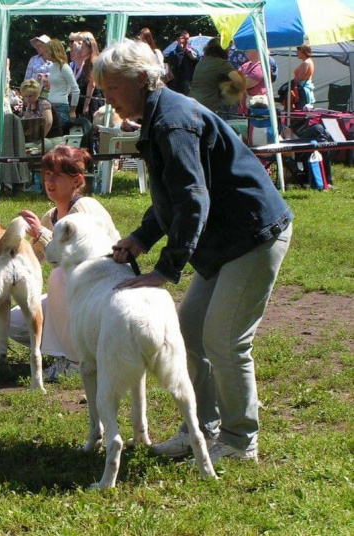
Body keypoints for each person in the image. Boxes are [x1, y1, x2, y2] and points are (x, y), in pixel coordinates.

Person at [93, 40, 293, 464]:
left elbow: (192, 200)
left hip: (253, 235)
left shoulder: (172, 122)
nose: (105, 96)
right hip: (222, 242)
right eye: (103, 88)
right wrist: (142, 238)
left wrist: (165, 270)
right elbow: (171, 197)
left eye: (112, 87)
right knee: (189, 335)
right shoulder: (157, 117)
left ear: (142, 81)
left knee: (224, 341)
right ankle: (200, 430)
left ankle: (240, 443)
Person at [8, 145, 120, 381]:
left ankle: (75, 361)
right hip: (76, 296)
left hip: (102, 296)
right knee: (13, 322)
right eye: (47, 174)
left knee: (59, 277)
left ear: (76, 179)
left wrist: (41, 235)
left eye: (57, 174)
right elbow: (38, 262)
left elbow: (92, 259)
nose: (50, 181)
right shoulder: (51, 216)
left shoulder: (86, 207)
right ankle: (74, 349)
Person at [189, 37, 245, 115]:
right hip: (210, 107)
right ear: (224, 49)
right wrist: (236, 96)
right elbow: (239, 82)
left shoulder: (201, 62)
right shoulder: (222, 64)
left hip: (192, 103)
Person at [45, 39, 80, 132]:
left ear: (53, 52)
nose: (45, 53)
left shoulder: (64, 67)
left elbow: (76, 90)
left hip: (61, 106)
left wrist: (73, 110)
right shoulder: (54, 66)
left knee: (59, 134)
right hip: (50, 105)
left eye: (47, 51)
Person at [19, 78, 64, 150]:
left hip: (53, 138)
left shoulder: (43, 103)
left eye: (30, 96)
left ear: (37, 94)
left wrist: (39, 139)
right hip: (38, 139)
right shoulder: (29, 106)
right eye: (25, 96)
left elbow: (48, 123)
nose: (28, 99)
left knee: (27, 146)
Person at [71, 31, 104, 120]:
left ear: (90, 49)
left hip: (92, 100)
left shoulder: (93, 62)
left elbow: (91, 84)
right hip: (82, 99)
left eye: (83, 48)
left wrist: (86, 104)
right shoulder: (83, 62)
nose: (80, 50)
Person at [165, 30, 198, 96]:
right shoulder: (172, 53)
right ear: (178, 39)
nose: (186, 41)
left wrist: (193, 57)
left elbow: (198, 64)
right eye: (183, 38)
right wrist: (181, 53)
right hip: (176, 83)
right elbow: (173, 67)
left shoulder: (194, 51)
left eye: (187, 39)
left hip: (189, 81)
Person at [238, 49, 267, 114]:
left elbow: (245, 84)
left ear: (257, 51)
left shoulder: (261, 66)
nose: (246, 50)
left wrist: (241, 79)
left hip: (257, 106)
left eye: (249, 49)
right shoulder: (245, 65)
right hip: (243, 106)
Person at [294, 45, 315, 109]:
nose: (296, 53)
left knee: (301, 109)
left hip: (303, 89)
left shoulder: (306, 63)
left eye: (298, 51)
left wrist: (293, 85)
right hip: (305, 87)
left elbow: (299, 78)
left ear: (303, 51)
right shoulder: (309, 61)